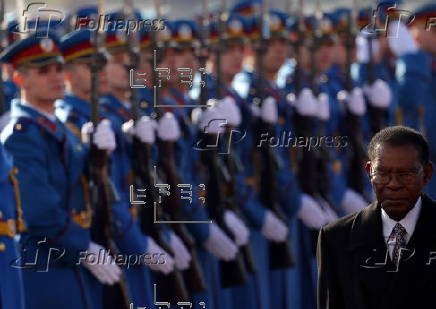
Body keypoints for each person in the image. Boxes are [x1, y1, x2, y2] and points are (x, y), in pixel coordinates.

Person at [0, 31, 122, 309]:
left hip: (71, 263)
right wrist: (83, 247)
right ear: (19, 78)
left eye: (58, 68)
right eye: (43, 71)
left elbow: (85, 186)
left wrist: (99, 157)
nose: (56, 77)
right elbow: (38, 210)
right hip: (45, 266)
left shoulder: (64, 129)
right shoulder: (21, 134)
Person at [317, 125, 436, 309]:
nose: (394, 184)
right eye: (383, 174)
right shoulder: (336, 238)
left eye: (405, 175)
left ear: (427, 174)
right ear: (369, 171)